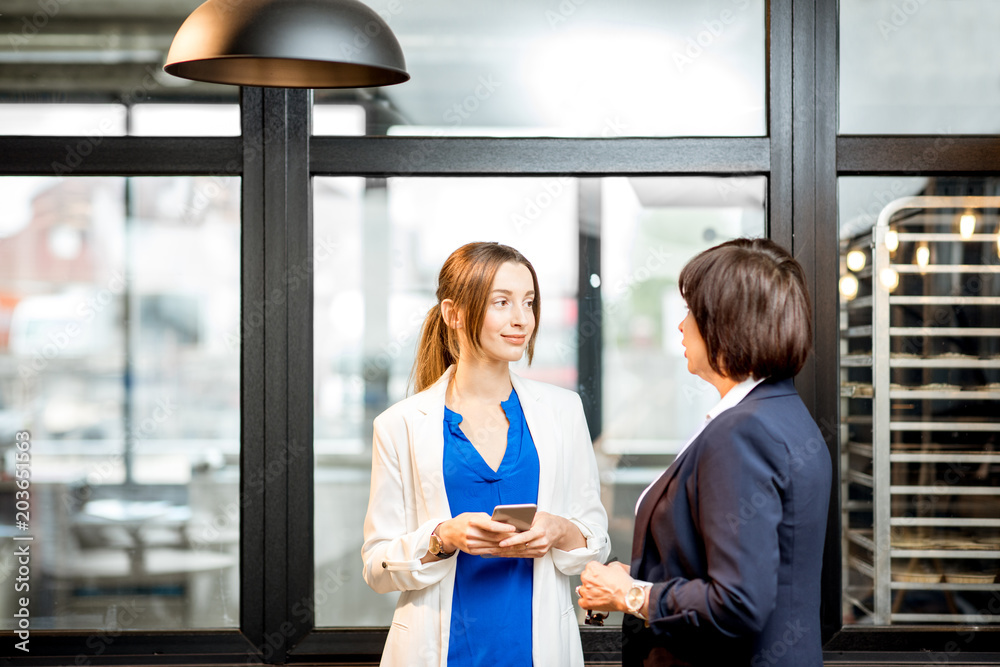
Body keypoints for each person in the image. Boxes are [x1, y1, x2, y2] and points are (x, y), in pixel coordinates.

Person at [578, 238, 832, 666]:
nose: (681, 326)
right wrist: (644, 577)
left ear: (726, 323)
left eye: (691, 311)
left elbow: (738, 601)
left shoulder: (742, 430)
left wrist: (631, 594)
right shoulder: (783, 410)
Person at [362, 241, 611, 667]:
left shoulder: (563, 411)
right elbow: (377, 566)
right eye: (502, 302)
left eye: (529, 303)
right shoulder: (400, 424)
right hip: (438, 650)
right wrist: (443, 537)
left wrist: (558, 529)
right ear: (453, 313)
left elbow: (596, 542)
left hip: (537, 649)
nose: (522, 319)